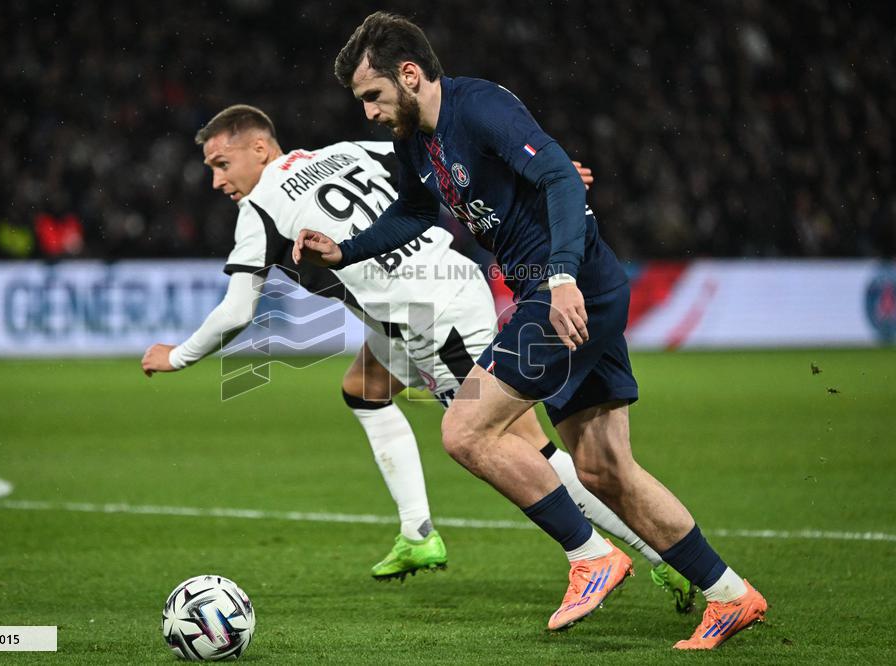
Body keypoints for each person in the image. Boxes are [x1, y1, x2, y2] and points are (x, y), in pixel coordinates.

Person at [293, 12, 767, 649]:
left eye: (372, 96)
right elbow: (410, 212)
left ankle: (590, 557)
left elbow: (560, 177)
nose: (370, 113)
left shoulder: (479, 106)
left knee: (465, 430)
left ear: (409, 75)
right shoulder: (416, 142)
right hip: (560, 293)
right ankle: (730, 595)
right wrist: (344, 250)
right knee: (604, 470)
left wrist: (563, 277)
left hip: (568, 293)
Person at [141, 104, 694, 610]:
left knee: (516, 444)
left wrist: (179, 357)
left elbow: (238, 311)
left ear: (260, 149)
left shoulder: (260, 208)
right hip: (437, 294)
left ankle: (649, 554)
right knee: (365, 388)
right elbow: (449, 162)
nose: (216, 180)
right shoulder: (345, 152)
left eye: (221, 162)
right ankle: (418, 533)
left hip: (437, 322)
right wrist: (543, 170)